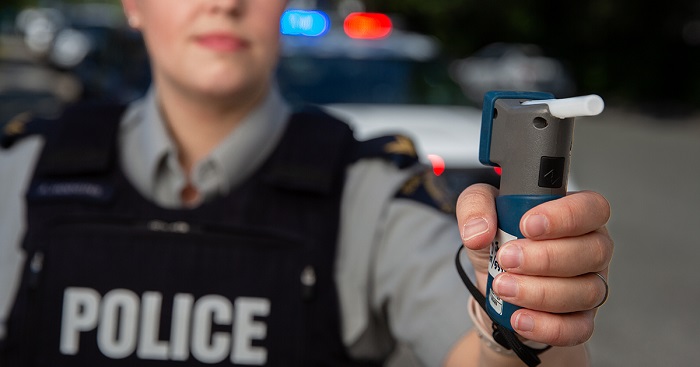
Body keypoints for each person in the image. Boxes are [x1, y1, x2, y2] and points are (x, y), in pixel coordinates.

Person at [0, 1, 613, 366]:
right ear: (132, 5)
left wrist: (515, 309)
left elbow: (482, 351)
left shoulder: (364, 193)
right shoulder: (24, 171)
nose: (224, 3)